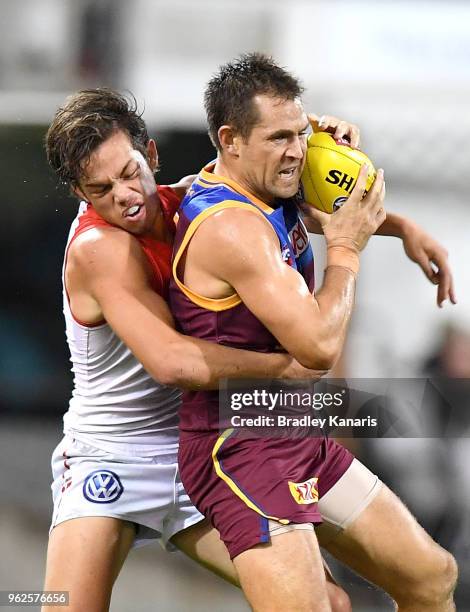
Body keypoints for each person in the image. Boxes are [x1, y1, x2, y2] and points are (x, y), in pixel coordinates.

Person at [43, 88, 355, 612]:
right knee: (57, 605)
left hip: (198, 449)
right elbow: (173, 363)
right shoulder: (100, 249)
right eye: (101, 188)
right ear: (80, 191)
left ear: (153, 154)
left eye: (129, 171)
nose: (124, 194)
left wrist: (303, 139)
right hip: (112, 458)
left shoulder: (190, 201)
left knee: (325, 603)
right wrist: (285, 368)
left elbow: (286, 193)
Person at [169, 53, 458, 612]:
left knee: (431, 576)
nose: (298, 151)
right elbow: (319, 348)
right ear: (230, 140)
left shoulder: (259, 180)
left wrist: (399, 226)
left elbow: (311, 200)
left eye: (300, 132)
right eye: (280, 137)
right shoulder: (231, 228)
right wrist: (347, 248)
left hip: (294, 430)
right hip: (240, 446)